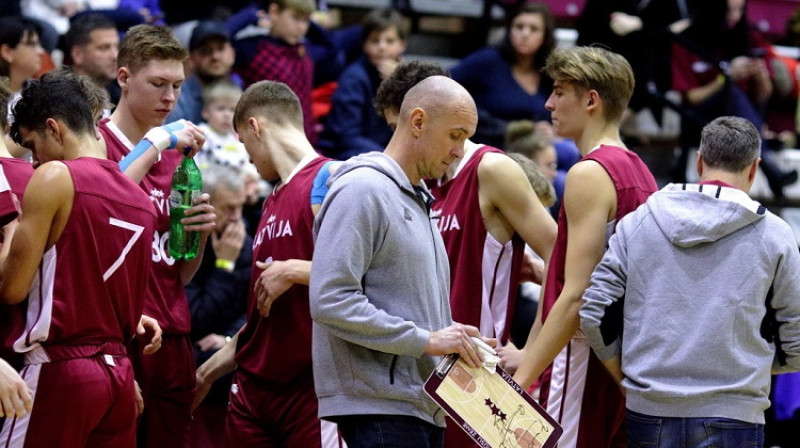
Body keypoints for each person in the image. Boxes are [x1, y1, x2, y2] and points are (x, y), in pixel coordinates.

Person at [580, 115, 800, 448]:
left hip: (648, 409)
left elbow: (594, 314)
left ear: (699, 161)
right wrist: (746, 366)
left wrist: (625, 375)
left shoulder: (638, 221)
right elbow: (795, 340)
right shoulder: (776, 234)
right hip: (736, 413)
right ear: (754, 169)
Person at [372, 60, 557, 448]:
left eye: (404, 127)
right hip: (417, 372)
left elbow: (565, 258)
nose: (400, 141)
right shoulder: (413, 182)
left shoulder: (491, 169)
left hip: (475, 379)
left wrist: (531, 353)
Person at [309, 75, 490, 448]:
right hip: (380, 408)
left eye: (466, 138)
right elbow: (330, 299)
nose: (460, 150)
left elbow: (396, 303)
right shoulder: (363, 188)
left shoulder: (416, 198)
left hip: (416, 403)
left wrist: (449, 333)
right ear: (419, 121)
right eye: (455, 135)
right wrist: (426, 338)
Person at [510, 46, 659, 448]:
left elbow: (576, 296)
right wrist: (527, 355)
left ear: (590, 99)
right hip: (617, 355)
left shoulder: (589, 173)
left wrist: (520, 384)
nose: (548, 102)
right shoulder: (640, 170)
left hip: (582, 358)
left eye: (560, 91)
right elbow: (563, 285)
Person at [0, 70, 159, 447]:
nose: (34, 161)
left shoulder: (55, 176)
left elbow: (11, 289)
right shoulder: (142, 201)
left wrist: (9, 234)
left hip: (62, 369)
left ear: (54, 129)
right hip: (119, 375)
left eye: (34, 146)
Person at [193, 80, 341, 447]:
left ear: (256, 127)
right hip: (253, 390)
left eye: (244, 145)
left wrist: (294, 270)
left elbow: (371, 277)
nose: (248, 159)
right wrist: (208, 372)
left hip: (310, 389)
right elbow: (261, 323)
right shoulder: (270, 202)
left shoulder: (333, 179)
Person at [97, 24, 216, 448]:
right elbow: (106, 202)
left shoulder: (176, 158)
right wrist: (156, 142)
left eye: (178, 85)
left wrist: (198, 237)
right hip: (120, 335)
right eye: (158, 84)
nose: (170, 98)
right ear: (124, 77)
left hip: (175, 335)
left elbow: (178, 274)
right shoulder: (97, 144)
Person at [671, 0, 797, 199]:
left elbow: (763, 96)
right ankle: (770, 167)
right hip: (701, 120)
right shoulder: (687, 41)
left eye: (740, 9)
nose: (734, 16)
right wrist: (726, 77)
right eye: (729, 9)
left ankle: (767, 163)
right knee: (732, 91)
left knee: (737, 96)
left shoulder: (750, 37)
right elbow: (691, 98)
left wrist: (762, 77)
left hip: (743, 121)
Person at [186, 163, 250, 448]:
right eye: (228, 209)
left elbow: (255, 310)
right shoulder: (186, 245)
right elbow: (196, 319)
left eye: (239, 208)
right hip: (192, 350)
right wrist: (224, 266)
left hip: (228, 347)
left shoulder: (245, 244)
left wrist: (228, 339)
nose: (238, 220)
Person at [449, 1, 555, 149]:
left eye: (533, 29)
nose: (525, 34)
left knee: (567, 151)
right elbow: (444, 84)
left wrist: (552, 130)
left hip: (533, 150)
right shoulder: (486, 61)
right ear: (509, 31)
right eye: (519, 27)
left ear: (545, 36)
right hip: (485, 146)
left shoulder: (549, 74)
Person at [318, 7, 407, 159]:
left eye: (390, 41)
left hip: (382, 152)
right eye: (374, 40)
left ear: (402, 45)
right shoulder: (353, 78)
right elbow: (347, 137)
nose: (382, 47)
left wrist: (402, 82)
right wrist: (392, 158)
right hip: (344, 153)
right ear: (364, 45)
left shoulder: (406, 76)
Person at [233, 0, 318, 143]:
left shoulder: (305, 49)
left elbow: (332, 47)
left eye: (306, 21)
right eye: (296, 18)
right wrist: (249, 15)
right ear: (274, 11)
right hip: (264, 137)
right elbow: (216, 37)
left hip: (305, 138)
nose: (302, 27)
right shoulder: (253, 47)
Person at [167, 19, 239, 124]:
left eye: (221, 48)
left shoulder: (240, 92)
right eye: (205, 51)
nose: (215, 56)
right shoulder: (178, 98)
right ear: (191, 58)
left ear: (232, 54)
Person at [61, 13, 121, 110]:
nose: (115, 56)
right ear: (77, 54)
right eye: (104, 48)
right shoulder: (60, 102)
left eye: (116, 47)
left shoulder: (120, 97)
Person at [195, 79, 249, 172]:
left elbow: (246, 164)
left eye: (232, 110)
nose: (227, 115)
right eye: (221, 108)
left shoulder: (237, 139)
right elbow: (197, 164)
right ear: (205, 112)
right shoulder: (201, 135)